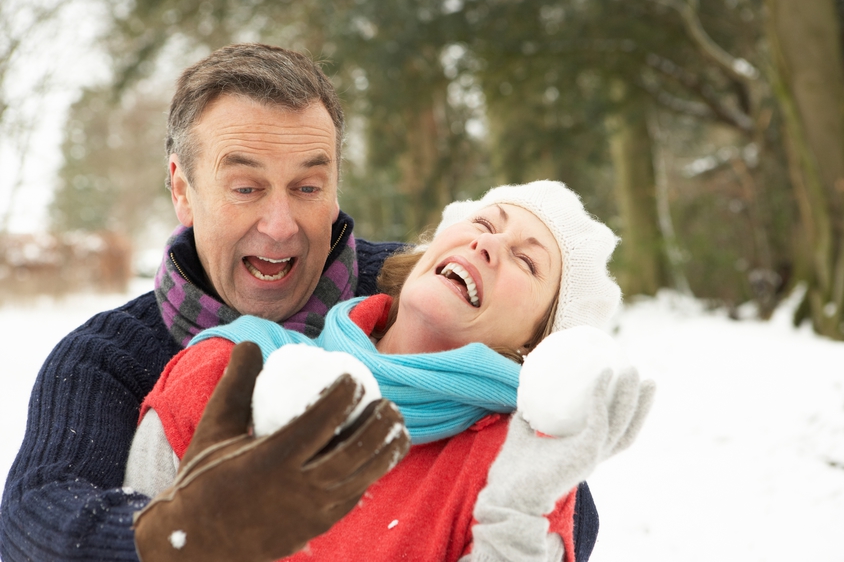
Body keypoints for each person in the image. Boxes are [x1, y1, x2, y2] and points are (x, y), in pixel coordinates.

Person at [0, 43, 411, 561]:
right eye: (245, 188)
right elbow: (34, 519)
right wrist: (179, 534)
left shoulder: (411, 290)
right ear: (182, 190)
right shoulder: (107, 361)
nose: (280, 225)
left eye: (308, 187)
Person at [126, 180, 655, 561]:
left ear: (536, 341)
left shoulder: (517, 470)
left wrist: (516, 510)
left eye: (527, 261)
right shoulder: (231, 367)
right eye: (485, 223)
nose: (489, 244)